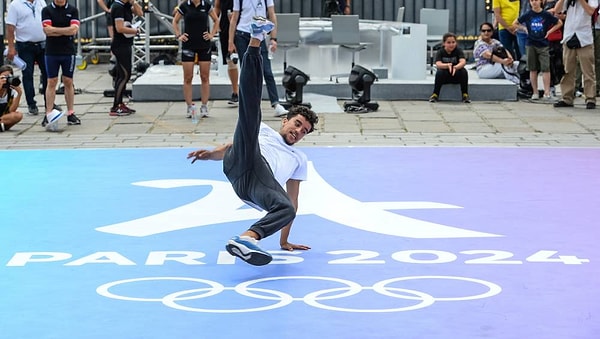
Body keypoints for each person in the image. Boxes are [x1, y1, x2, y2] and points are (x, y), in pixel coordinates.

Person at [187, 17, 319, 266]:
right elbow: (231, 146)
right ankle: (256, 39)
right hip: (239, 163)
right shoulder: (266, 130)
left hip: (257, 187)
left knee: (287, 208)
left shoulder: (299, 159)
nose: (298, 131)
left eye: (304, 131)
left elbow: (292, 200)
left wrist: (284, 241)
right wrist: (211, 154)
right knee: (250, 109)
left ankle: (246, 238)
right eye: (297, 124)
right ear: (285, 121)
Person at [228, 0, 289, 117]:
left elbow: (272, 14)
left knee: (266, 70)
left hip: (259, 34)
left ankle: (275, 103)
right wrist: (230, 41)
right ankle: (248, 104)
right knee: (246, 71)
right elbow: (234, 18)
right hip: (242, 34)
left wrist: (273, 38)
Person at [172, 0, 220, 119]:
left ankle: (204, 105)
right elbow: (175, 21)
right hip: (188, 45)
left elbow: (216, 20)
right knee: (188, 77)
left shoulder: (206, 5)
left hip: (204, 45)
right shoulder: (184, 6)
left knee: (205, 76)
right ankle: (189, 106)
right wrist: (179, 35)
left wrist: (212, 34)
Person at [41, 0, 81, 132]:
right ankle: (49, 113)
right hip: (51, 51)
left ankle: (70, 113)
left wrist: (56, 31)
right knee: (51, 81)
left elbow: (74, 30)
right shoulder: (46, 10)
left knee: (68, 81)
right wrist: (65, 30)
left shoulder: (73, 10)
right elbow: (47, 31)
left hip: (68, 51)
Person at [5, 0, 49, 116]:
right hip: (25, 45)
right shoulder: (16, 4)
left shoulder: (41, 2)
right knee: (27, 74)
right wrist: (11, 47)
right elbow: (10, 26)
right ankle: (31, 103)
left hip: (42, 43)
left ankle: (48, 102)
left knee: (47, 73)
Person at [553, 0, 598, 109]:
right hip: (569, 35)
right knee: (567, 69)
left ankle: (590, 98)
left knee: (588, 70)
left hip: (584, 37)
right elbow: (557, 11)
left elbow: (590, 11)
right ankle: (567, 97)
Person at [514, 0, 562, 100]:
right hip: (531, 43)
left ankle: (547, 92)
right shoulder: (528, 14)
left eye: (536, 0)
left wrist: (549, 31)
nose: (534, 3)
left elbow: (558, 23)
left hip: (543, 44)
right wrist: (524, 28)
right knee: (532, 68)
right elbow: (515, 23)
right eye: (532, 1)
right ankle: (535, 91)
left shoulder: (545, 14)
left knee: (546, 68)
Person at [109, 0, 143, 116]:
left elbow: (140, 13)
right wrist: (135, 31)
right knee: (124, 75)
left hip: (126, 44)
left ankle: (120, 103)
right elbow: (119, 28)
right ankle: (116, 105)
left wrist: (134, 2)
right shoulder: (117, 7)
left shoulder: (127, 5)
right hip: (120, 45)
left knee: (123, 75)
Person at [429, 32, 470, 103]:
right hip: (445, 75)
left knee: (463, 71)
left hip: (455, 74)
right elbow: (438, 63)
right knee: (439, 72)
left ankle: (465, 94)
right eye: (448, 42)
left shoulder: (458, 50)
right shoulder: (441, 51)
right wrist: (447, 65)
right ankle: (435, 94)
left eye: (453, 42)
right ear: (444, 43)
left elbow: (463, 61)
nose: (451, 44)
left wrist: (456, 67)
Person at [214, 0, 239, 106]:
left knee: (246, 58)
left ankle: (249, 92)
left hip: (242, 25)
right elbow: (217, 7)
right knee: (230, 60)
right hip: (225, 26)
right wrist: (216, 24)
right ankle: (235, 92)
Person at [0, 65, 24, 132]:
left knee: (18, 115)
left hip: (3, 117)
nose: (6, 79)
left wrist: (19, 94)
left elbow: (11, 110)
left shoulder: (11, 91)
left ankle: (2, 126)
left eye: (8, 77)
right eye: (3, 77)